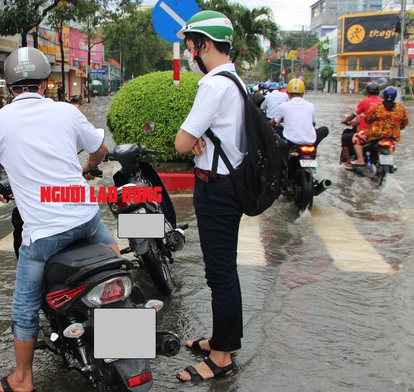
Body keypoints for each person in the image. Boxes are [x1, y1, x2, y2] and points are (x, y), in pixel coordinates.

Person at [0, 46, 119, 392]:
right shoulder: (66, 111)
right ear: (46, 83)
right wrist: (88, 168)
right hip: (86, 215)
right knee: (115, 259)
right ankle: (122, 324)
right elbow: (100, 149)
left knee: (24, 305)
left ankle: (22, 378)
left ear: (8, 88)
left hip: (44, 235)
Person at [174, 10, 243, 383]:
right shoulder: (236, 81)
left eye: (190, 46)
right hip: (228, 184)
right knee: (223, 271)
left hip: (216, 188)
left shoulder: (214, 84)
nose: (189, 54)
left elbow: (181, 141)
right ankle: (224, 340)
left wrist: (191, 140)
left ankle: (222, 357)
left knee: (220, 274)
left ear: (203, 44)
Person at [351, 86, 409, 165]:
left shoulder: (377, 107)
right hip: (392, 136)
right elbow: (404, 123)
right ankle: (391, 162)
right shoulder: (401, 108)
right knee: (392, 145)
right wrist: (395, 128)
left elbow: (367, 119)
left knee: (356, 138)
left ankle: (360, 160)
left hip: (375, 135)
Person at [270, 79, 329, 147]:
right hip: (309, 142)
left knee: (274, 129)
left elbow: (272, 123)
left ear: (288, 93)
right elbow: (313, 124)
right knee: (324, 129)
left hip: (291, 142)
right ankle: (314, 147)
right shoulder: (311, 106)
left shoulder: (283, 106)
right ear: (303, 93)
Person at [340, 82, 382, 169]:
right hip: (381, 134)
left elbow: (354, 116)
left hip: (367, 134)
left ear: (367, 92)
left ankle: (350, 162)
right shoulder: (383, 102)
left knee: (346, 137)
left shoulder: (364, 102)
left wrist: (346, 121)